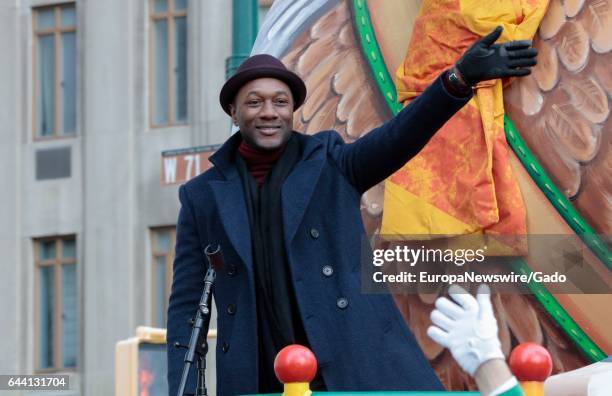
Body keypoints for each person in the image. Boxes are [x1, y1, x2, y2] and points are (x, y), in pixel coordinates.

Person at [167, 26, 537, 396]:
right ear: (233, 112)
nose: (269, 112)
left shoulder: (331, 162)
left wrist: (458, 79)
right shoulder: (202, 197)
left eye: (280, 102)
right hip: (260, 374)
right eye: (254, 102)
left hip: (354, 365)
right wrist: (181, 390)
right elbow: (186, 304)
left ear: (293, 110)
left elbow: (400, 136)